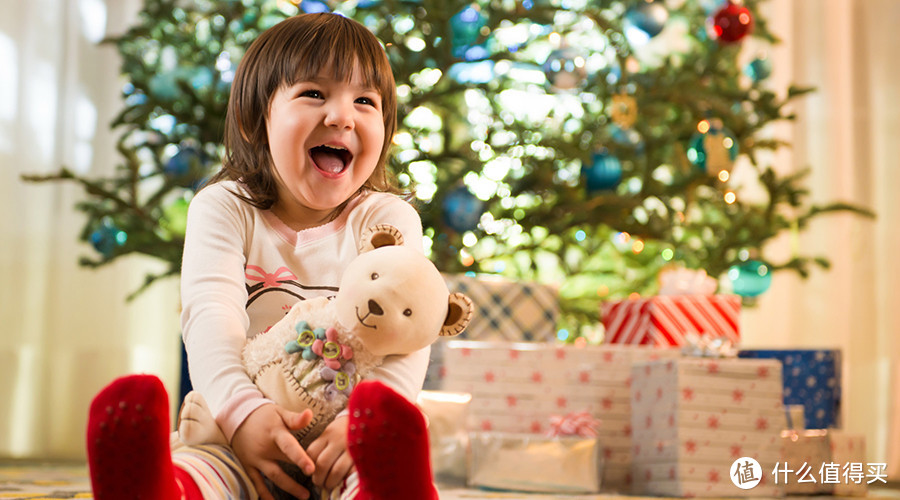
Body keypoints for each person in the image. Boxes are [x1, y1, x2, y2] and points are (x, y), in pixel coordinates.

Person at [86, 13, 438, 500]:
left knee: (375, 472)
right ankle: (155, 488)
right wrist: (241, 413)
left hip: (345, 439)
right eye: (314, 93)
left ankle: (392, 487)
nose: (342, 116)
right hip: (239, 430)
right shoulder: (223, 207)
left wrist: (365, 425)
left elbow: (410, 333)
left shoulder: (387, 220)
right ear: (257, 121)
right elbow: (211, 315)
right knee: (205, 467)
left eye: (365, 101)